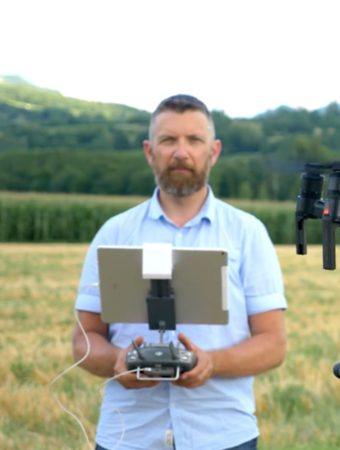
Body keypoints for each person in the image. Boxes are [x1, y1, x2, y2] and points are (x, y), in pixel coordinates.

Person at [71, 94, 288, 450]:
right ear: (149, 151)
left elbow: (273, 344)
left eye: (194, 140)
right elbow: (84, 339)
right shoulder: (114, 233)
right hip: (129, 436)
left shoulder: (248, 234)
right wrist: (117, 361)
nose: (180, 152)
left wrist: (212, 363)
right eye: (168, 140)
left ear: (213, 151)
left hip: (222, 436)